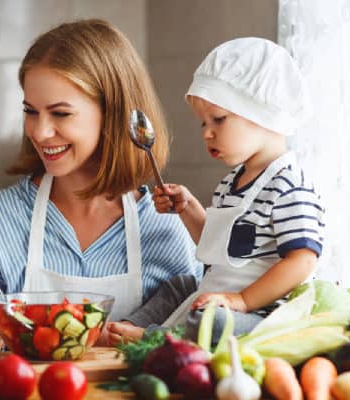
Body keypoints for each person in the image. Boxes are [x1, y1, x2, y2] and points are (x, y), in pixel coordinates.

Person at [0, 19, 204, 350]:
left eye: (60, 114)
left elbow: (195, 350)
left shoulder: (169, 225)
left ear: (112, 113)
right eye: (31, 111)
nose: (39, 132)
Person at [105, 37, 325, 344]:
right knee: (180, 285)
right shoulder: (232, 182)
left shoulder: (290, 186)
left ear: (262, 113)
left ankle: (150, 338)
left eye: (218, 120)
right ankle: (126, 327)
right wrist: (188, 208)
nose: (207, 133)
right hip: (224, 294)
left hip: (262, 314)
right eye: (203, 123)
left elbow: (302, 261)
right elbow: (220, 247)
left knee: (216, 321)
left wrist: (243, 301)